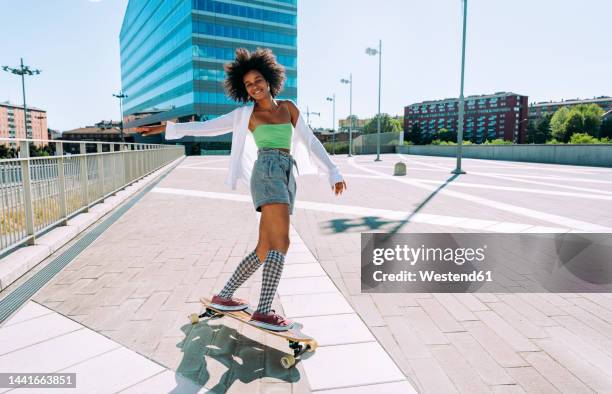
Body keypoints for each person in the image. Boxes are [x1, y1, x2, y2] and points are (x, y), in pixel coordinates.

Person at [135, 48, 347, 331]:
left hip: (286, 173)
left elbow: (310, 141)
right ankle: (264, 310)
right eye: (248, 84)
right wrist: (168, 128)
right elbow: (207, 128)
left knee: (263, 248)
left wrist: (333, 171)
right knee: (281, 243)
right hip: (267, 171)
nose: (254, 86)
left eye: (258, 80)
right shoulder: (246, 114)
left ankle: (224, 296)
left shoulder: (289, 108)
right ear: (243, 90)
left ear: (269, 79)